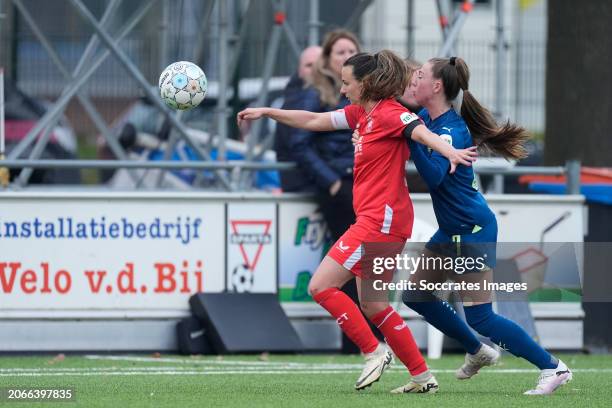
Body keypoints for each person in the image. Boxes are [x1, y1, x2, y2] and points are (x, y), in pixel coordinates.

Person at [238, 50, 477, 393]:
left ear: (365, 83)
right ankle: (423, 377)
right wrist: (268, 112)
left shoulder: (390, 114)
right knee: (374, 304)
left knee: (321, 286)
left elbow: (420, 131)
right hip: (381, 220)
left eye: (347, 84)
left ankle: (373, 350)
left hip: (381, 221)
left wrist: (449, 151)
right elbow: (313, 121)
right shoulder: (361, 115)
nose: (343, 90)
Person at [398, 56, 572, 395]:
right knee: (416, 295)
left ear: (436, 86)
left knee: (481, 318)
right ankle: (477, 351)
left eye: (419, 76)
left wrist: (412, 139)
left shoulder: (450, 130)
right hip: (453, 229)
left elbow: (434, 177)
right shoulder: (424, 119)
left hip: (470, 229)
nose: (412, 81)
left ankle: (553, 367)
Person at [274, 45, 323, 192]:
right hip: (307, 184)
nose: (315, 70)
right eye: (309, 65)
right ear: (300, 71)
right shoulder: (295, 101)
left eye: (319, 65)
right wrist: (333, 182)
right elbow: (300, 146)